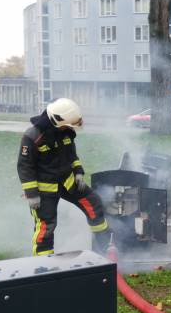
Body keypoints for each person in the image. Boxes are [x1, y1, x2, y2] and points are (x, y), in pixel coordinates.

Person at [17, 98, 110, 255]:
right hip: (44, 190)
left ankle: (105, 247)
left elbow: (71, 154)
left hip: (68, 182)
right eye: (67, 125)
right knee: (46, 226)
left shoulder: (65, 131)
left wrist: (78, 171)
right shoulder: (32, 136)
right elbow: (24, 166)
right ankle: (43, 266)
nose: (69, 128)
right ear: (57, 120)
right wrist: (32, 195)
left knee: (94, 204)